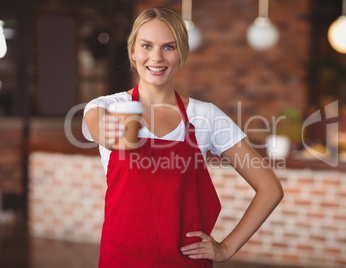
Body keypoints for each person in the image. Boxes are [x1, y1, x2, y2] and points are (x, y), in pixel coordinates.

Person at [83, 7, 283, 268]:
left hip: (184, 261)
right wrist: (111, 132)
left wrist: (226, 248)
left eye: (169, 47)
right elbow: (101, 128)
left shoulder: (205, 116)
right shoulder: (108, 107)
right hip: (122, 259)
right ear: (133, 51)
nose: (156, 57)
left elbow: (270, 189)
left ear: (181, 54)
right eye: (146, 46)